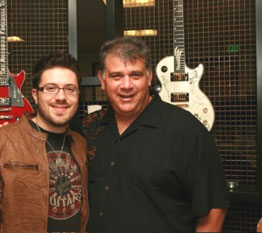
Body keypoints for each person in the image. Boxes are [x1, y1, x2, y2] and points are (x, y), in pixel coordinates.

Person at [81, 37, 230, 232]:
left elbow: (214, 209)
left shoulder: (186, 130)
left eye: (135, 75)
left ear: (149, 77)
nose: (126, 85)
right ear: (102, 80)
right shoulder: (89, 128)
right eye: (116, 76)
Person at [0, 52, 89, 233]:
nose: (61, 97)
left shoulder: (80, 143)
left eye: (70, 89)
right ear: (36, 95)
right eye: (51, 88)